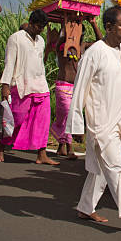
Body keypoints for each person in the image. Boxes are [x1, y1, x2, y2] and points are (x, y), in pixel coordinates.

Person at [66, 6, 121, 232]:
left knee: (101, 168)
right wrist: (76, 124)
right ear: (108, 27)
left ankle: (85, 207)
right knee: (115, 166)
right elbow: (80, 88)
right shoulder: (94, 52)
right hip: (101, 122)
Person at [0, 9, 58, 165]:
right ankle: (1, 146)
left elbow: (39, 62)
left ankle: (41, 154)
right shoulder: (15, 38)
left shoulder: (41, 41)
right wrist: (5, 85)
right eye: (37, 26)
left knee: (42, 121)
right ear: (30, 23)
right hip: (21, 85)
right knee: (16, 118)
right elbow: (9, 63)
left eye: (42, 27)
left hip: (41, 86)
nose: (40, 30)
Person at [48, 17, 102, 159]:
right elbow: (60, 38)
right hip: (63, 85)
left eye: (79, 33)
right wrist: (65, 26)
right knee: (67, 114)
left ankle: (61, 146)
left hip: (76, 87)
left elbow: (101, 42)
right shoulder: (62, 45)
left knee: (68, 115)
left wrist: (93, 24)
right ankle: (70, 147)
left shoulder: (83, 46)